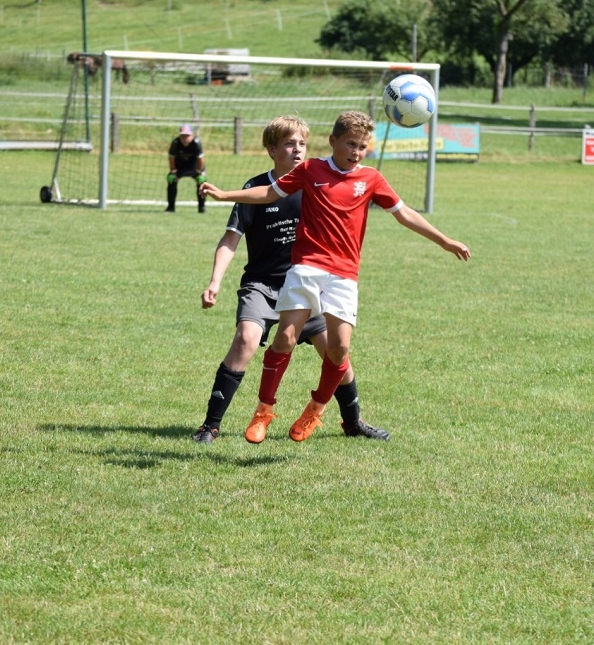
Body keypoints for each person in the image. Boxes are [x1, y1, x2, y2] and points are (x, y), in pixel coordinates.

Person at [200, 110, 470, 442]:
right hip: (300, 271)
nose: (356, 152)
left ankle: (325, 413)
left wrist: (444, 240)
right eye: (351, 144)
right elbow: (267, 194)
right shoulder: (310, 171)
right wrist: (224, 195)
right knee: (280, 339)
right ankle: (257, 412)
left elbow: (404, 214)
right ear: (333, 141)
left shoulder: (371, 178)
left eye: (362, 146)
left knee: (340, 350)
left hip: (342, 275)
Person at [193, 115, 388, 443]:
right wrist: (215, 281)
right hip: (263, 284)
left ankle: (353, 421)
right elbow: (231, 238)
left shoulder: (316, 181)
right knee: (245, 340)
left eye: (302, 143)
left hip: (307, 285)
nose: (297, 149)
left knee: (337, 351)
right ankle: (210, 425)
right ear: (272, 150)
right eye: (289, 144)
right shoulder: (255, 189)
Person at [167, 124, 206, 213]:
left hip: (194, 167)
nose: (185, 138)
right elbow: (171, 158)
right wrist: (173, 171)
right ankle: (170, 207)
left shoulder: (196, 143)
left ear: (192, 135)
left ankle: (202, 208)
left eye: (187, 136)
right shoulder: (175, 143)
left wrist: (200, 171)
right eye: (183, 136)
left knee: (201, 180)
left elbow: (200, 159)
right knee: (171, 179)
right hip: (180, 166)